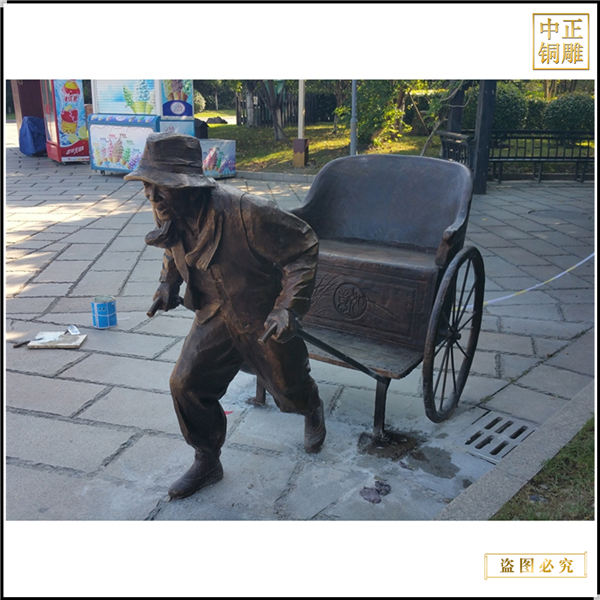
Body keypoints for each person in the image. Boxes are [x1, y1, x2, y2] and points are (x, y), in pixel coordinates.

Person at [124, 132, 326, 500]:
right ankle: (207, 459)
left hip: (258, 316)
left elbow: (303, 247)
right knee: (185, 384)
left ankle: (311, 405)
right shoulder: (169, 206)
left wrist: (287, 307)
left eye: (160, 185)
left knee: (289, 389)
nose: (150, 195)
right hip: (212, 315)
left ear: (188, 185)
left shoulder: (246, 211)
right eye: (146, 184)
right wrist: (168, 283)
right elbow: (171, 244)